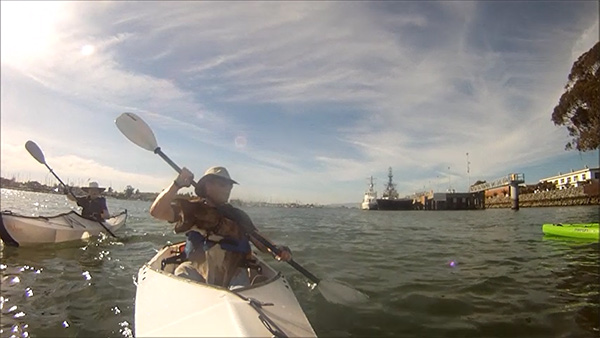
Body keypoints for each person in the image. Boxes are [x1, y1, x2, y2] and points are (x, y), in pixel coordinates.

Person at [150, 166, 292, 287]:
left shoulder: (237, 215)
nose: (229, 189)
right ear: (208, 186)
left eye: (230, 185)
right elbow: (157, 212)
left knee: (239, 293)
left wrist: (276, 250)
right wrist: (177, 184)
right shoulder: (193, 209)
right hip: (196, 266)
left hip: (233, 270)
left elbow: (259, 240)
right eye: (223, 185)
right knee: (181, 276)